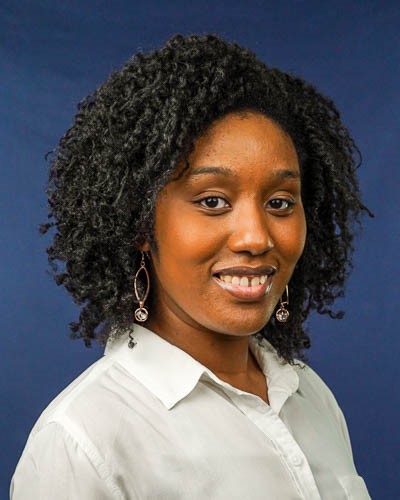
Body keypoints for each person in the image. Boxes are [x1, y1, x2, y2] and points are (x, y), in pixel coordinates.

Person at [10, 34, 372, 499]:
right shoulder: (84, 444)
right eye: (213, 201)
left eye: (280, 202)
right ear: (140, 223)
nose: (256, 238)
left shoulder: (310, 395)